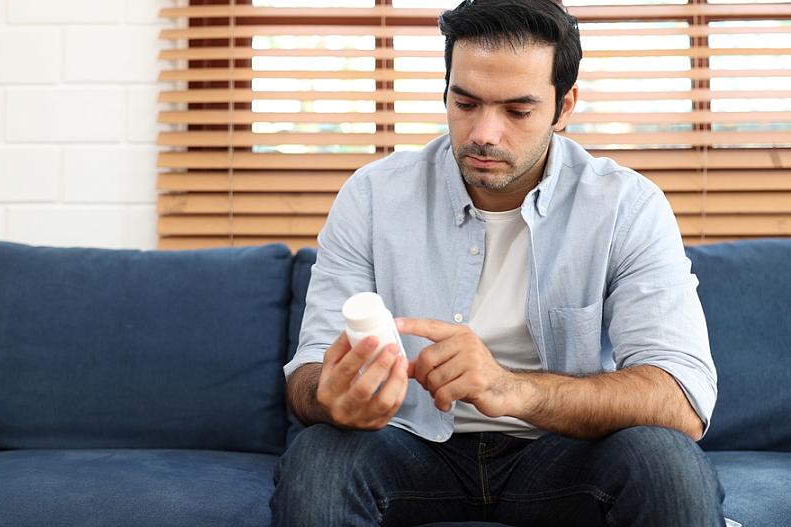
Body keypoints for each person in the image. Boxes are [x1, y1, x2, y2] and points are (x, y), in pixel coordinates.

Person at [271, 0, 724, 525]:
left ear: (564, 106)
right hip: (408, 446)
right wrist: (332, 397)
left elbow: (682, 398)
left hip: (560, 451)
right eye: (465, 103)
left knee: (664, 460)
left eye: (517, 111)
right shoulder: (373, 196)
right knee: (318, 458)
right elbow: (306, 375)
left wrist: (508, 387)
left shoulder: (626, 206)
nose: (485, 133)